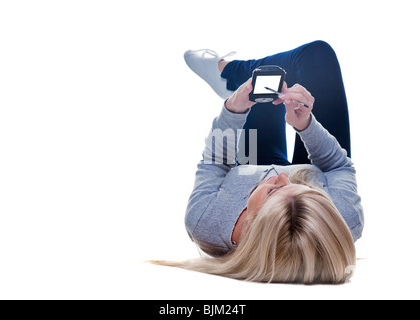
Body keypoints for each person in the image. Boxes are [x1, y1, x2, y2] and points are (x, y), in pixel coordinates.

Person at [153, 41, 364, 284]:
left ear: (252, 222)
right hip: (318, 165)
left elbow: (214, 163)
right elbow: (338, 166)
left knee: (265, 84)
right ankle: (232, 73)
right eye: (307, 192)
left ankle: (230, 73)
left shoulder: (205, 223)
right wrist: (306, 125)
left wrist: (233, 111)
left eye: (273, 189)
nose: (282, 177)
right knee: (318, 54)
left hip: (251, 162)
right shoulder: (343, 220)